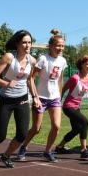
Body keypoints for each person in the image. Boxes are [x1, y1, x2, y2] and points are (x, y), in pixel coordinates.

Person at [0, 30, 38, 168]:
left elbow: (30, 80)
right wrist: (7, 83)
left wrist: (35, 97)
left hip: (22, 99)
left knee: (22, 134)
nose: (27, 45)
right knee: (0, 136)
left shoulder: (32, 60)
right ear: (17, 44)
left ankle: (6, 156)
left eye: (29, 43)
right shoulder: (9, 57)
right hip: (6, 99)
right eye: (24, 42)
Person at [17, 29, 67, 163]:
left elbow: (60, 80)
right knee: (36, 129)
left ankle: (47, 151)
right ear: (51, 46)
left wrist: (60, 95)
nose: (60, 48)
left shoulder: (62, 61)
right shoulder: (43, 59)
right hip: (41, 98)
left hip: (55, 97)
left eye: (62, 46)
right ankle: (24, 146)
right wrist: (35, 97)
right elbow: (31, 78)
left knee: (56, 126)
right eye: (58, 45)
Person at [55, 55, 88, 158]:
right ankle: (84, 150)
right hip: (68, 106)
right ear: (82, 65)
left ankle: (59, 147)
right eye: (87, 64)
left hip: (76, 107)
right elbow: (63, 89)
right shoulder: (75, 78)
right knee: (85, 122)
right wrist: (57, 101)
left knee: (76, 129)